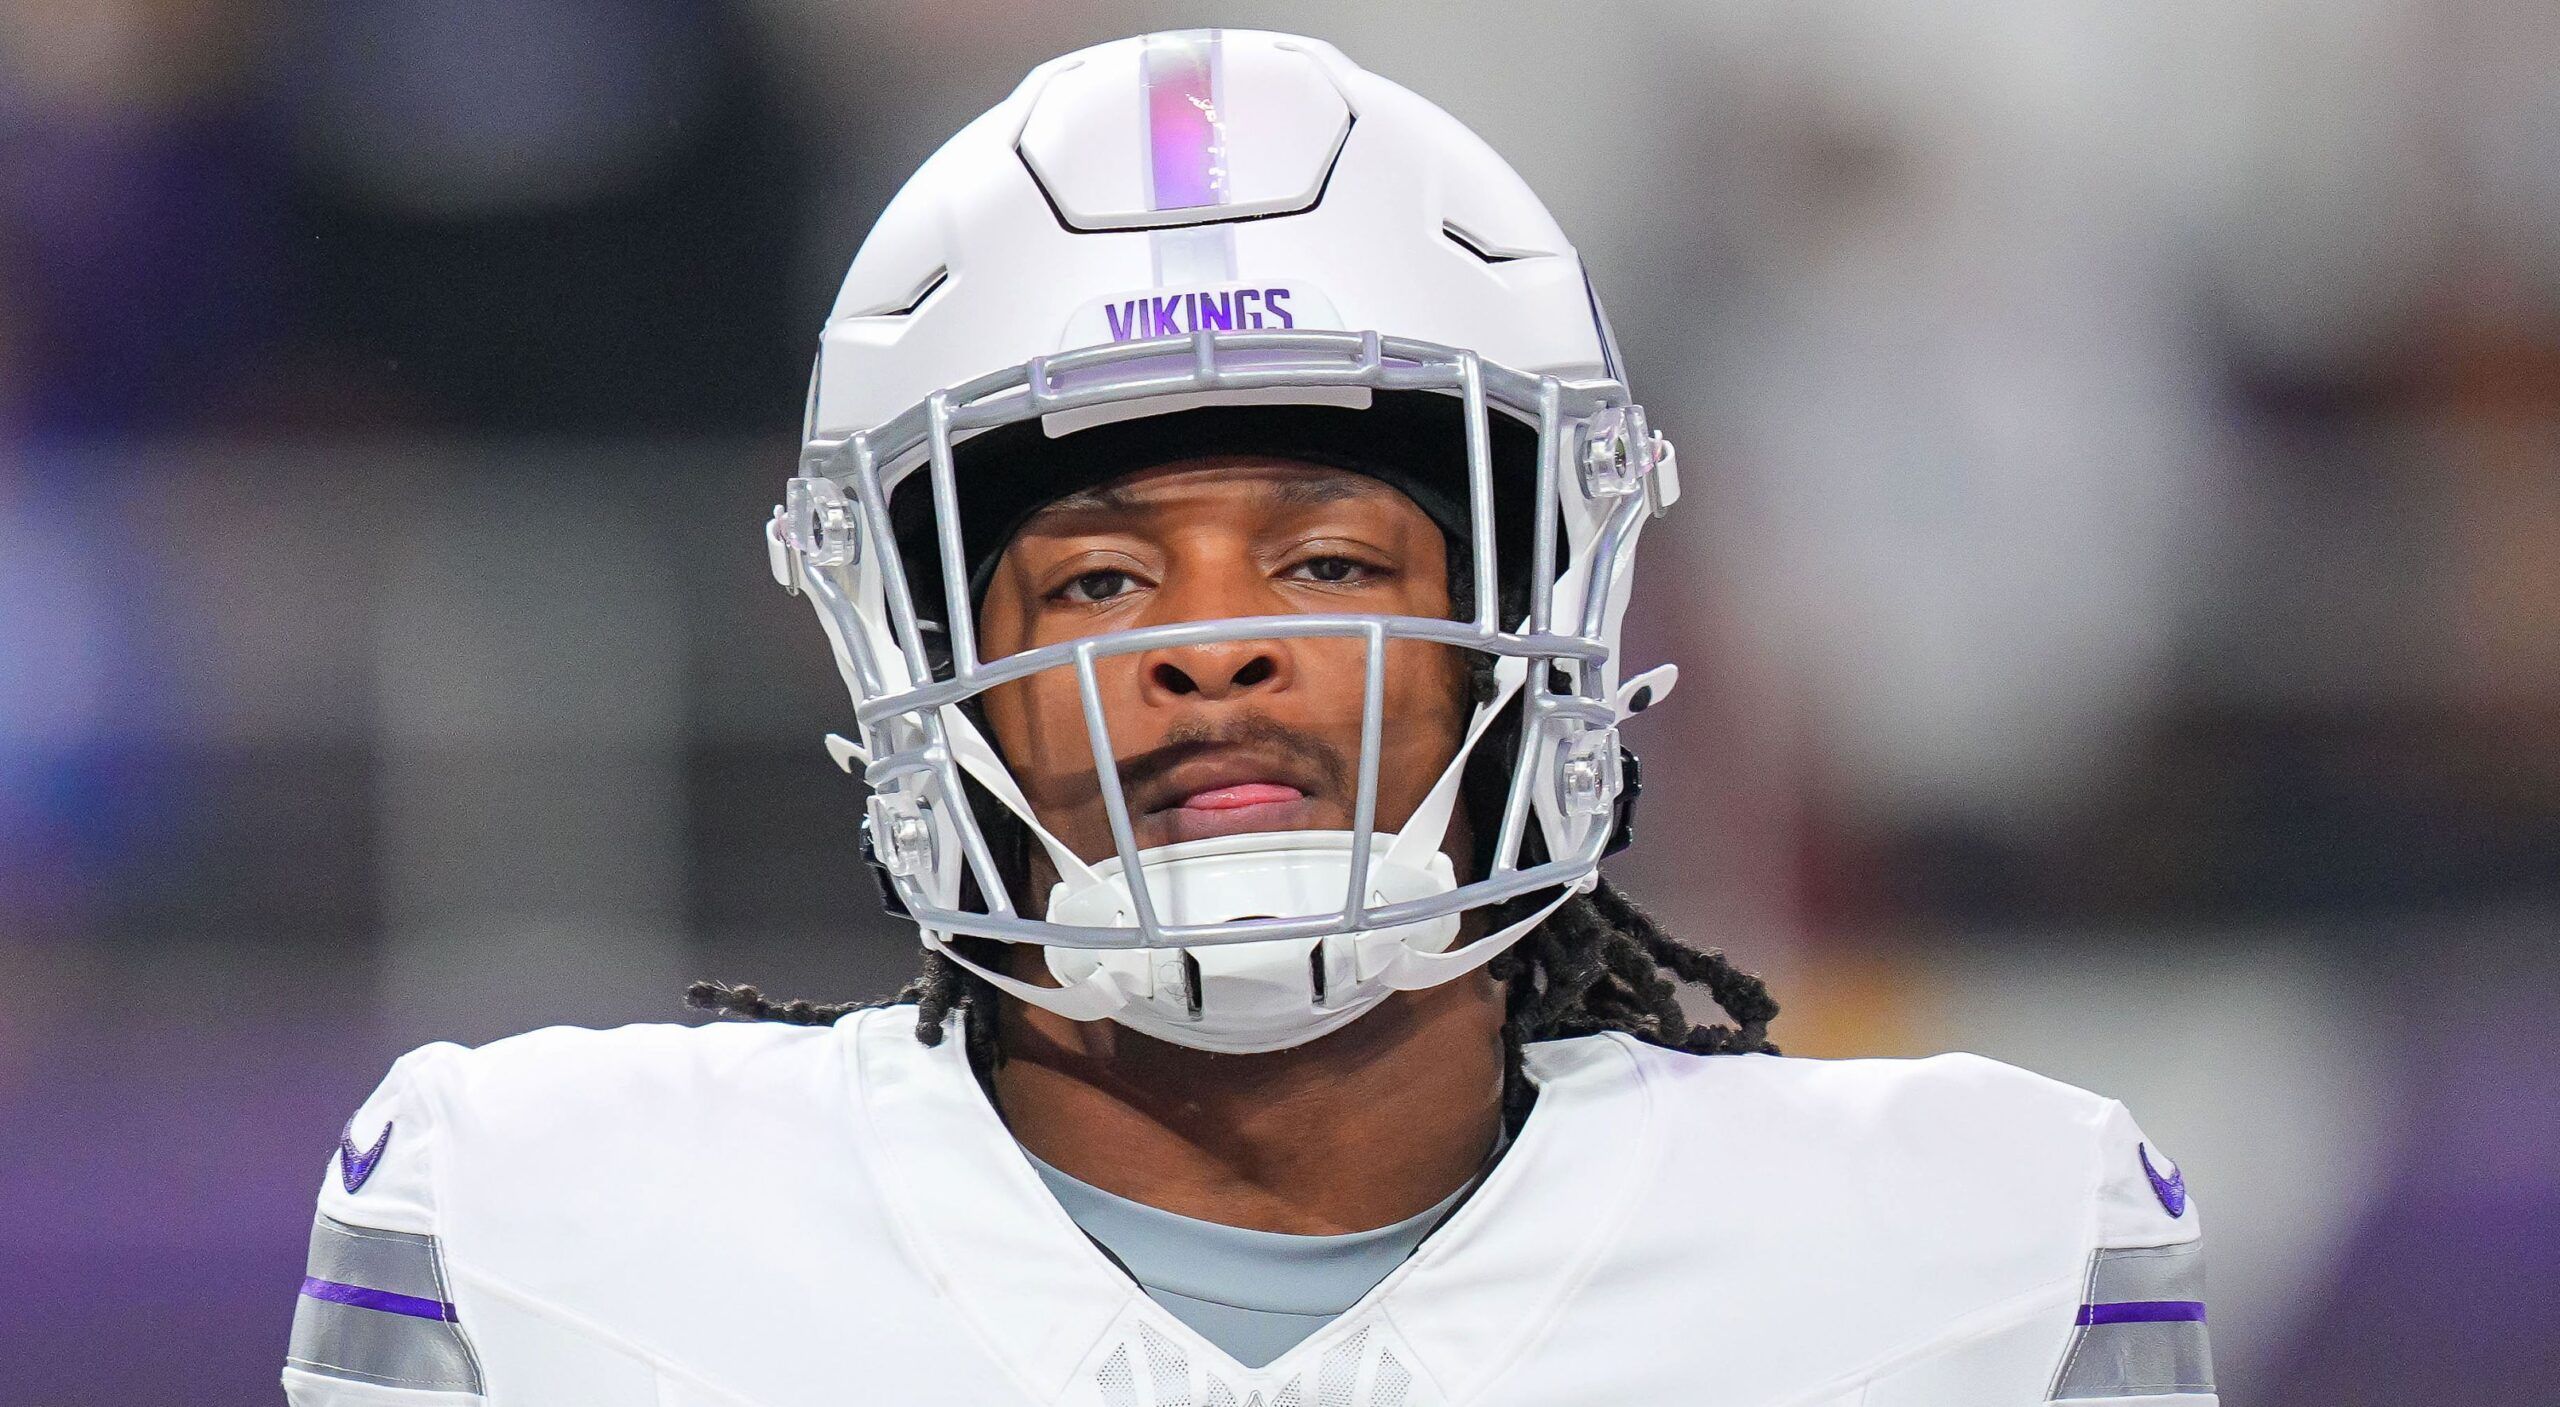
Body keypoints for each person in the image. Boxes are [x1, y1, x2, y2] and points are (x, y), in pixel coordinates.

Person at [281, 30, 2215, 1407]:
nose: (1212, 650)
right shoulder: (550, 1228)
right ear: (899, 656)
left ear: (1529, 628)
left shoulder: (1963, 1252)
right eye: (1105, 582)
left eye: (1326, 563)